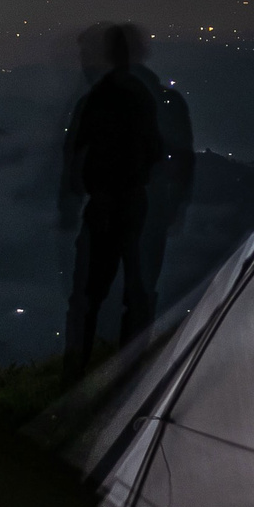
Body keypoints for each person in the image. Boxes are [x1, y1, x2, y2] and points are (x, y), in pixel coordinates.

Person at [59, 21, 165, 381]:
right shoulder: (141, 95)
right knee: (132, 291)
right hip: (132, 204)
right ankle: (129, 371)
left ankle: (79, 369)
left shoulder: (100, 97)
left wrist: (78, 193)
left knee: (91, 291)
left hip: (106, 205)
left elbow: (77, 150)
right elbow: (155, 152)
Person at [117, 21, 195, 323]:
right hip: (150, 210)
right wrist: (175, 207)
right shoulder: (167, 102)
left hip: (130, 211)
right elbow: (183, 161)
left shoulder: (101, 102)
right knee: (140, 288)